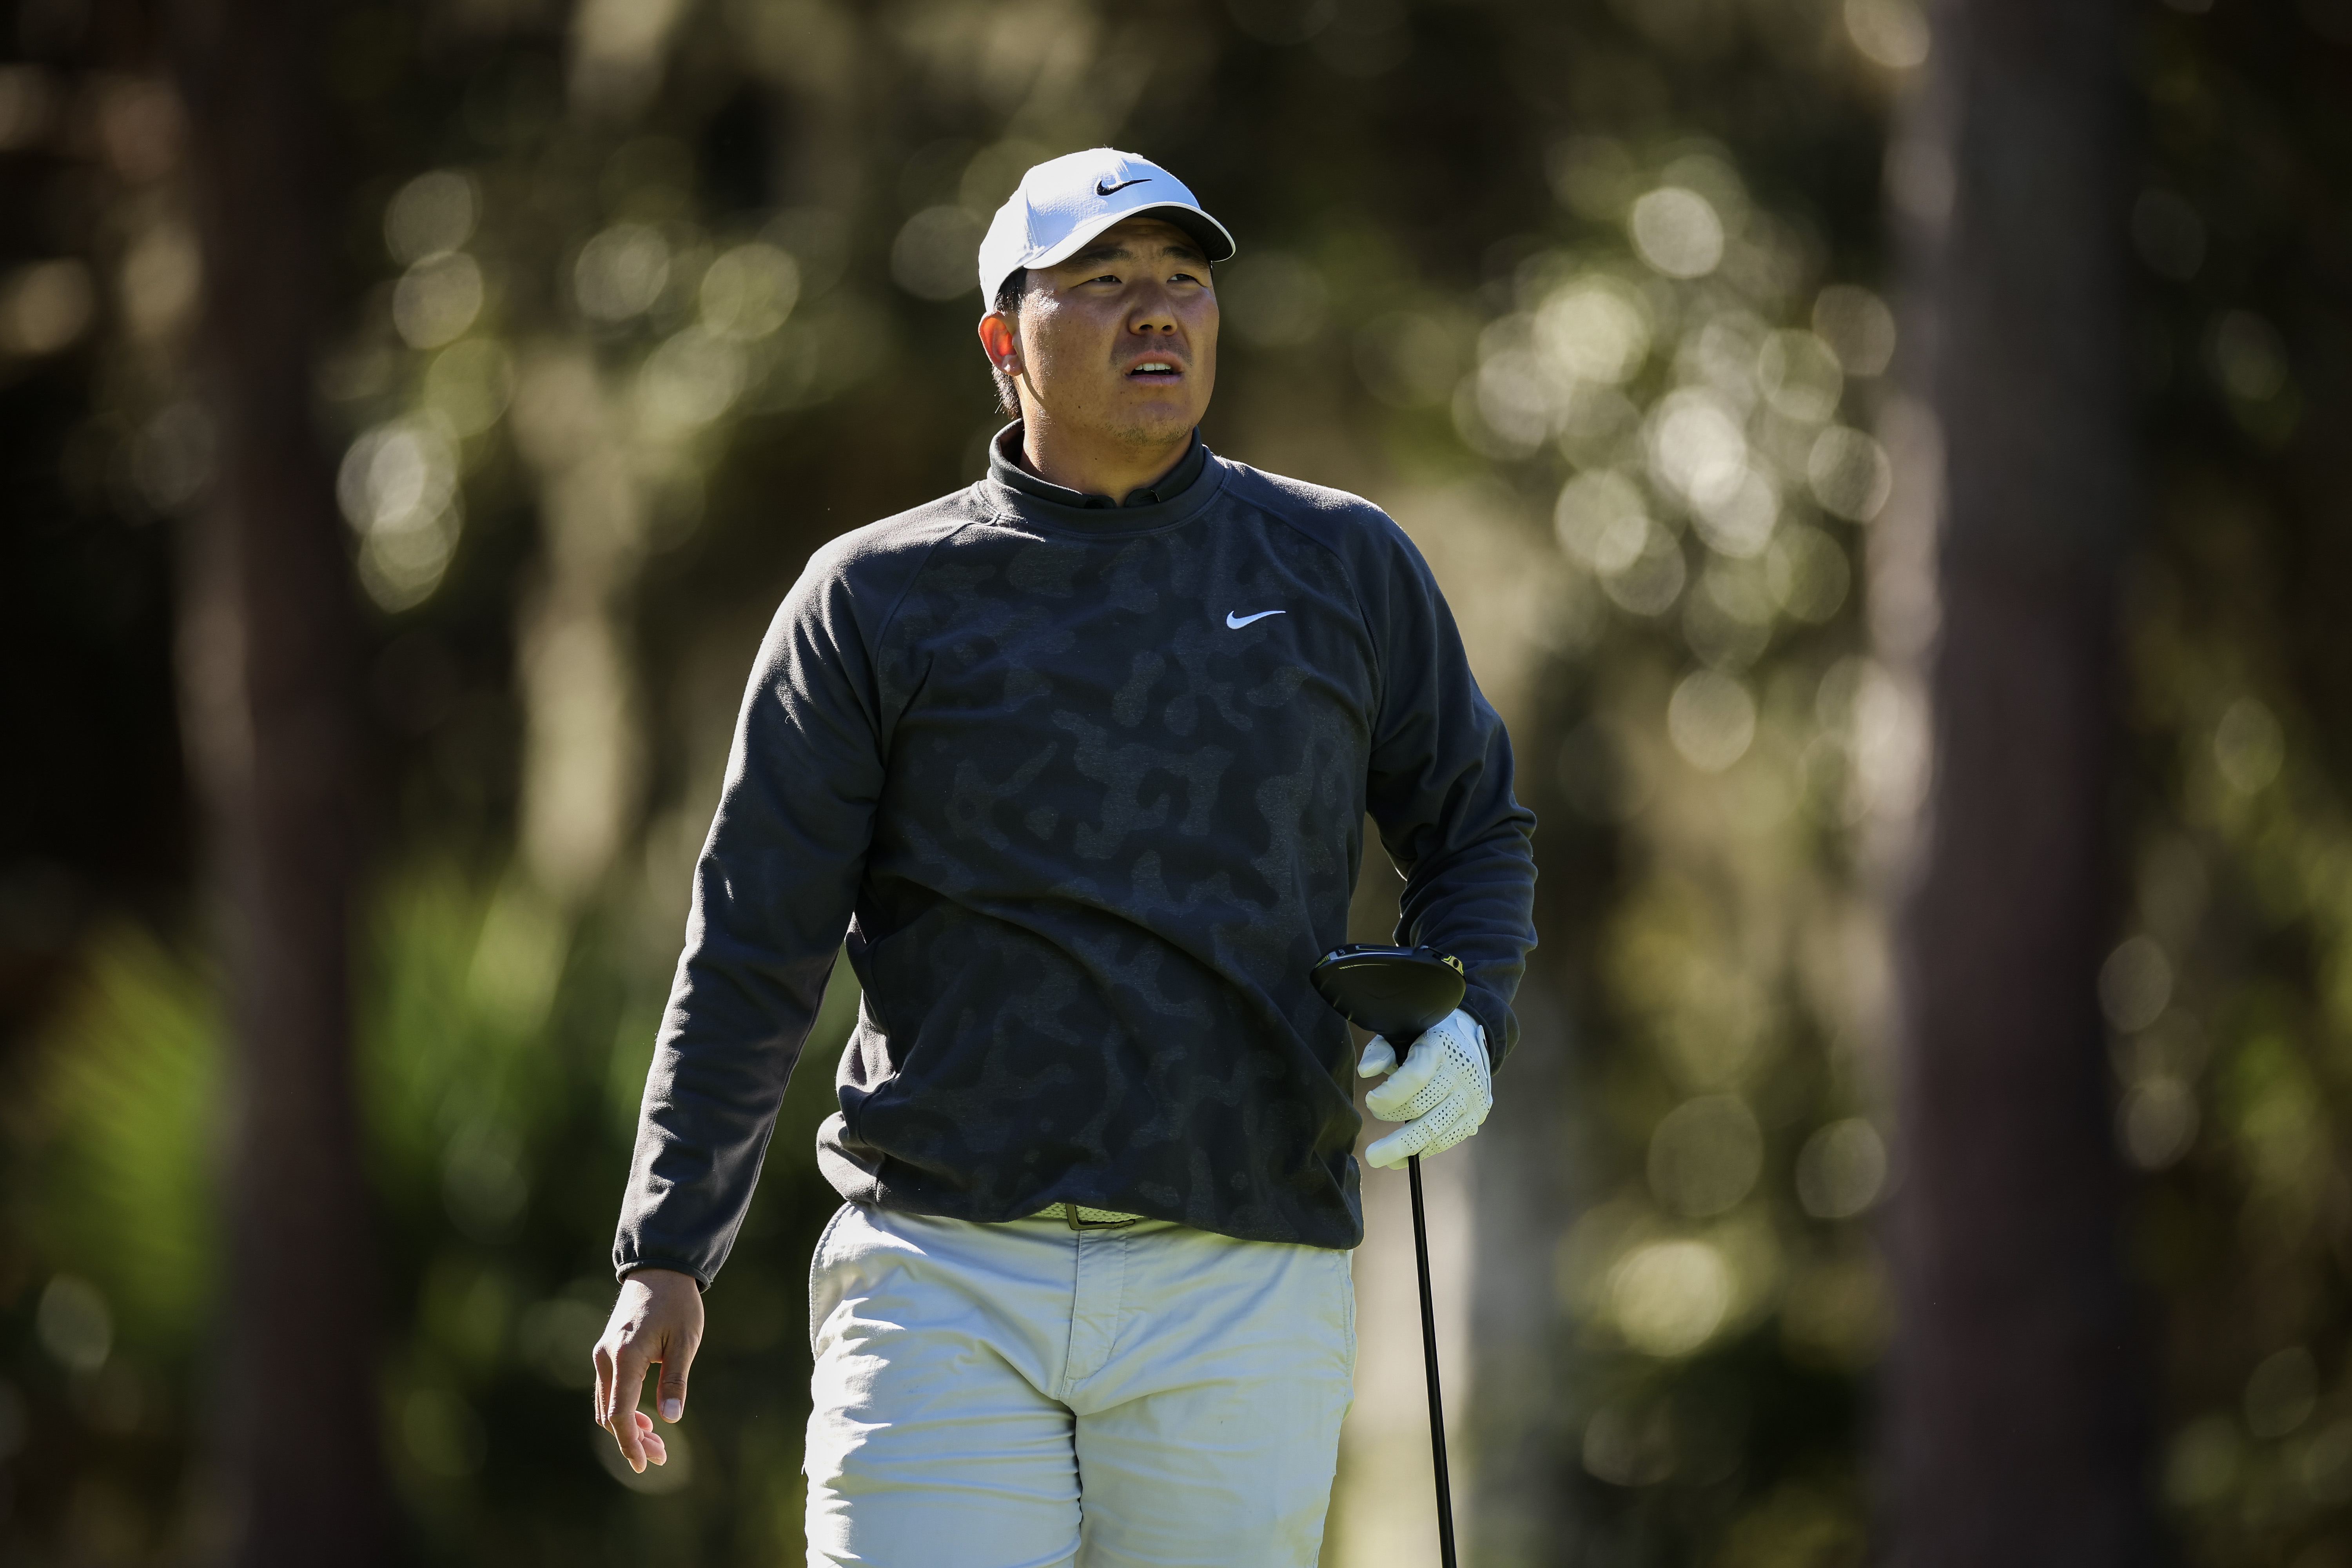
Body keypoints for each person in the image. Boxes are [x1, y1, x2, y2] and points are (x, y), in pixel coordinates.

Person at [592, 147, 1537, 1567]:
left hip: (1244, 1267)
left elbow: (1474, 830)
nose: (1157, 312)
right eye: (1101, 283)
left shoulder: (1343, 566)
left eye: (1183, 280)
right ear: (1002, 341)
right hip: (942, 1270)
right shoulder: (873, 600)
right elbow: (754, 942)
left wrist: (1468, 1018)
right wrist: (668, 1246)